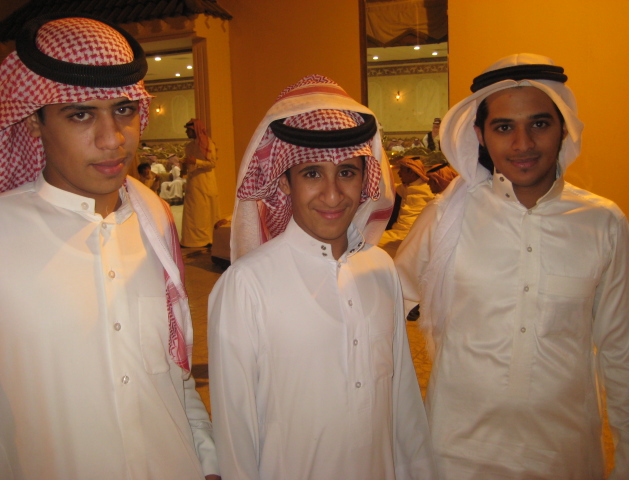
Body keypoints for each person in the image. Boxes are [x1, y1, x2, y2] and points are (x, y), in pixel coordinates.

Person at [395, 53, 629, 479]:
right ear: (481, 135)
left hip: (565, 455)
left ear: (563, 128)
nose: (523, 144)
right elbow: (385, 307)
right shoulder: (446, 217)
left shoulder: (603, 223)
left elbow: (624, 352)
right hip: (453, 454)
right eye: (504, 127)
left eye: (539, 124)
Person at [0, 15, 219, 480]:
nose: (113, 138)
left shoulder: (154, 217)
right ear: (34, 121)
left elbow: (173, 369)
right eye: (80, 114)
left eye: (123, 110)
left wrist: (207, 457)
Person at [208, 74, 437, 480]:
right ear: (284, 182)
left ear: (365, 180)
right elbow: (234, 433)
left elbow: (403, 402)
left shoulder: (380, 268)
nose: (332, 195)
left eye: (346, 172)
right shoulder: (245, 285)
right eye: (312, 174)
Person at [379, 155, 435, 257]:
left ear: (412, 172)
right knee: (371, 240)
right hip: (397, 230)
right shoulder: (403, 188)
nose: (399, 173)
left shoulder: (429, 189)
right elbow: (387, 187)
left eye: (402, 170)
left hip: (412, 233)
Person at [181, 118, 220, 247]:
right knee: (192, 211)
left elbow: (212, 163)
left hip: (205, 182)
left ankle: (205, 239)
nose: (186, 133)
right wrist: (184, 166)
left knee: (203, 211)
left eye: (188, 130)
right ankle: (191, 240)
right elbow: (189, 163)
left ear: (195, 130)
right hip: (193, 182)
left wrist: (196, 162)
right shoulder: (189, 146)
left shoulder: (208, 143)